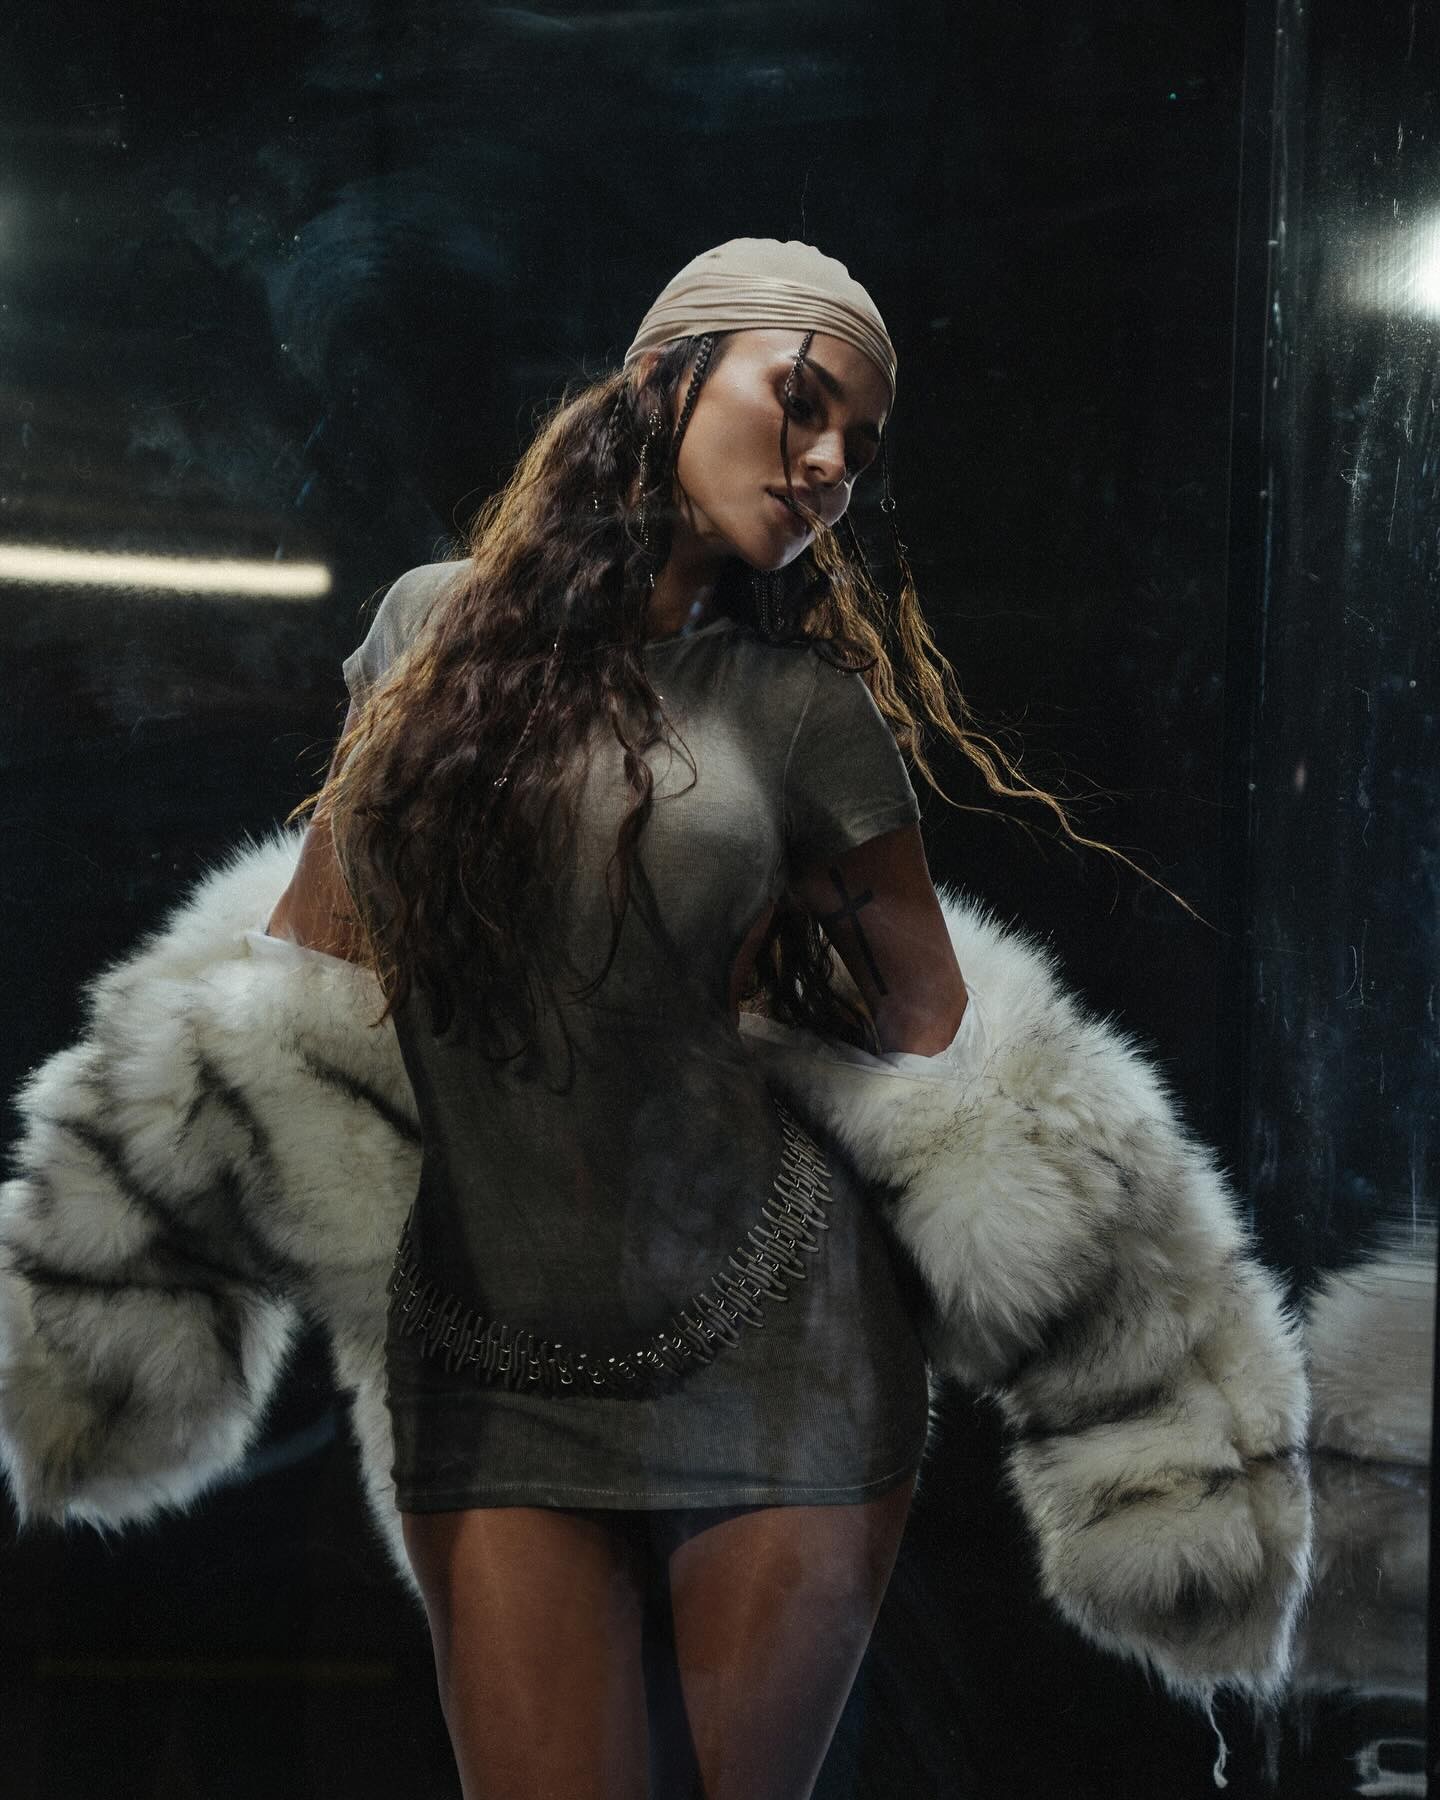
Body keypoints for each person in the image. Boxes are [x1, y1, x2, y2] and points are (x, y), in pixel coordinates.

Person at [264, 239, 1057, 1799]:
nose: (828, 466)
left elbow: (932, 1020)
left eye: (859, 448)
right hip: (488, 1340)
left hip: (777, 1342)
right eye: (803, 402)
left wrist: (760, 973)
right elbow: (324, 950)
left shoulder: (801, 709)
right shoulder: (427, 628)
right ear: (659, 379)